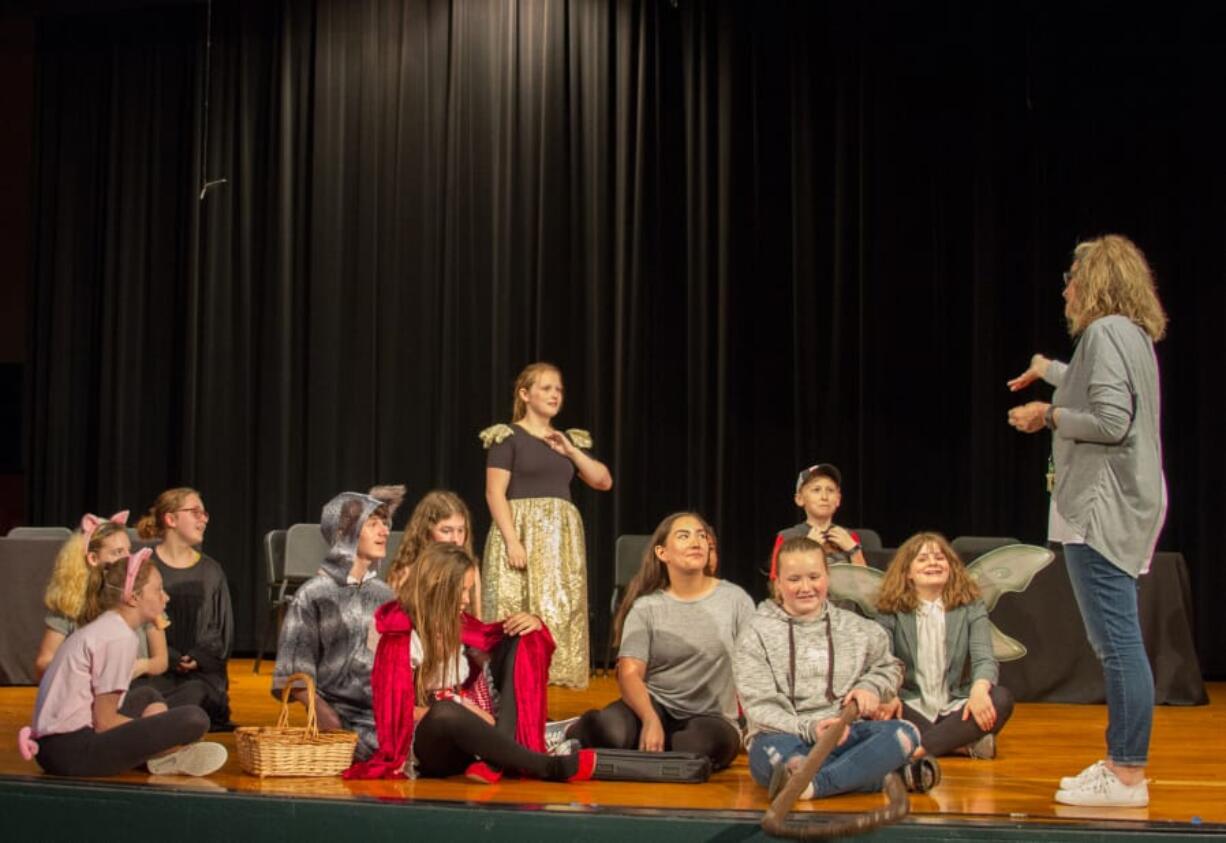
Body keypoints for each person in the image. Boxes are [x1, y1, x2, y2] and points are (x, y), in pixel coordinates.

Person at [1007, 234, 1167, 808]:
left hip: (1101, 506)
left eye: (1073, 277)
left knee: (1117, 645)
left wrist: (1046, 414)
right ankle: (1124, 766)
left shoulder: (1104, 332)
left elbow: (1109, 419)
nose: (1066, 288)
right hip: (1125, 499)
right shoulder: (1129, 334)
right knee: (1118, 643)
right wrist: (1048, 370)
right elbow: (1101, 392)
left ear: (1095, 280)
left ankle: (1126, 774)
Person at [344, 542, 596, 783]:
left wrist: (532, 623)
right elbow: (393, 713)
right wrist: (460, 707)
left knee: (521, 637)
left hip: (469, 730)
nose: (466, 600)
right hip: (427, 740)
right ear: (438, 586)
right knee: (445, 713)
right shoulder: (397, 632)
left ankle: (496, 760)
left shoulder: (461, 625)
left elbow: (497, 642)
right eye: (462, 590)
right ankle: (545, 766)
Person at [735, 536, 938, 801]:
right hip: (784, 737)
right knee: (776, 761)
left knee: (904, 733)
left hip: (846, 735)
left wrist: (870, 687)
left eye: (814, 577)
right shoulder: (754, 633)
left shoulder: (856, 627)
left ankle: (811, 785)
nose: (806, 587)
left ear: (827, 578)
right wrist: (811, 727)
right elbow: (760, 707)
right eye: (794, 579)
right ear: (778, 583)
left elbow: (890, 667)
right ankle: (879, 774)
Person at [564, 512, 751, 771]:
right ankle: (574, 731)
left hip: (710, 717)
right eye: (684, 536)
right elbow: (629, 673)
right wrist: (650, 719)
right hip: (652, 706)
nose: (696, 542)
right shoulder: (647, 607)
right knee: (610, 731)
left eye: (701, 535)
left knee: (700, 748)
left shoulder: (735, 600)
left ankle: (649, 749)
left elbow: (754, 666)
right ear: (663, 553)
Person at [18, 549, 227, 777]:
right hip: (70, 751)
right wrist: (157, 735)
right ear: (134, 597)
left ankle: (156, 759)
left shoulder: (111, 627)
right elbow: (104, 722)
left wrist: (150, 732)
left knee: (148, 695)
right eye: (158, 590)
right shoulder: (118, 637)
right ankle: (162, 756)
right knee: (194, 719)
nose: (165, 597)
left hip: (55, 746)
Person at [480, 361, 613, 688]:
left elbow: (603, 481)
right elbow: (494, 492)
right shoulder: (507, 437)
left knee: (557, 611)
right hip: (521, 533)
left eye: (559, 389)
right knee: (515, 609)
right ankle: (509, 688)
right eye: (546, 388)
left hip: (558, 542)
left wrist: (570, 450)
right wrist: (512, 540)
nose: (555, 395)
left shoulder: (566, 440)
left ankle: (548, 700)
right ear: (525, 394)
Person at [272, 486, 402, 761]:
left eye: (385, 523)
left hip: (383, 713)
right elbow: (292, 666)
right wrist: (319, 710)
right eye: (373, 524)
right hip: (339, 717)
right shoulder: (314, 594)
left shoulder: (385, 595)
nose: (385, 531)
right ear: (345, 533)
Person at [871, 532, 1014, 759]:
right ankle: (961, 745)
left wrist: (979, 690)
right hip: (909, 706)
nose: (933, 563)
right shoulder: (890, 611)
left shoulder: (971, 606)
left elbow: (984, 658)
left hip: (954, 708)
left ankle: (919, 749)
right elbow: (883, 660)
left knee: (1001, 698)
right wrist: (888, 695)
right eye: (923, 559)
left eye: (939, 558)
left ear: (951, 567)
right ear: (907, 572)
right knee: (870, 704)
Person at [135, 487, 234, 728]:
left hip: (200, 673)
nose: (204, 519)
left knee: (198, 693)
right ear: (170, 519)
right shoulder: (145, 568)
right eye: (195, 512)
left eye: (205, 514)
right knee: (146, 695)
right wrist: (170, 658)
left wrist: (198, 658)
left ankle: (164, 723)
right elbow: (135, 623)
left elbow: (222, 631)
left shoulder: (211, 571)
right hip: (156, 670)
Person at [35, 512, 167, 683]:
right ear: (93, 558)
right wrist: (85, 671)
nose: (127, 558)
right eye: (117, 552)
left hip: (138, 684)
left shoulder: (143, 596)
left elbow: (161, 660)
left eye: (129, 550)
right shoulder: (72, 602)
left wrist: (140, 666)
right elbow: (43, 662)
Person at [387, 490, 480, 614]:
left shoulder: (470, 570)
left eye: (461, 531)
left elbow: (477, 621)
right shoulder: (406, 572)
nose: (456, 540)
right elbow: (392, 622)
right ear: (426, 532)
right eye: (446, 531)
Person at [770, 463, 867, 579]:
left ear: (838, 499)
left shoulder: (849, 536)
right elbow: (777, 586)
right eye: (816, 490)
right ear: (800, 499)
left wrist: (854, 550)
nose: (824, 497)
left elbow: (864, 585)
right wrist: (807, 549)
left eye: (830, 490)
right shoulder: (787, 537)